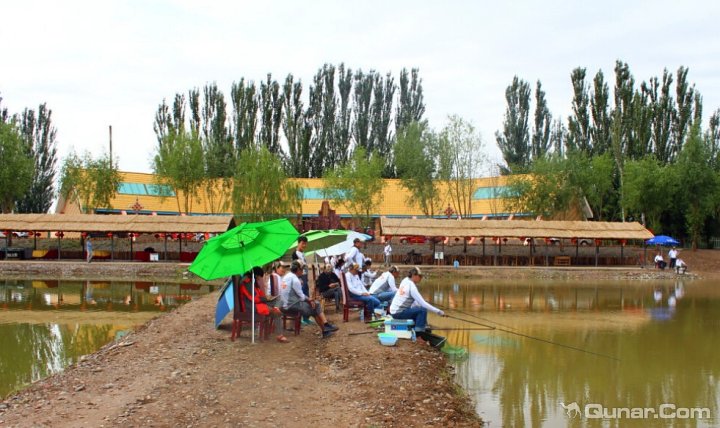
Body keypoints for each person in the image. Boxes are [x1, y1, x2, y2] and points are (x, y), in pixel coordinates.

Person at [280, 261, 338, 338]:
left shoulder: (287, 276)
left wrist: (310, 301)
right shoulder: (295, 279)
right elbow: (302, 297)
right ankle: (325, 327)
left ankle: (325, 329)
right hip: (291, 305)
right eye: (302, 269)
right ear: (298, 270)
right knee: (315, 306)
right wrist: (310, 300)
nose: (303, 271)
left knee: (315, 306)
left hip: (284, 304)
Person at [239, 266, 289, 343]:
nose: (259, 280)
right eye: (259, 277)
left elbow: (259, 294)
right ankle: (279, 335)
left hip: (258, 303)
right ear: (256, 275)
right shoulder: (247, 282)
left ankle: (276, 308)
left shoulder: (252, 281)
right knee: (276, 313)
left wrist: (267, 298)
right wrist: (265, 299)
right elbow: (254, 298)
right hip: (252, 306)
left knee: (279, 299)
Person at [389, 266, 445, 332]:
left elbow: (415, 302)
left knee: (419, 309)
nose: (421, 278)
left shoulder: (405, 280)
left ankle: (421, 327)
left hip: (394, 311)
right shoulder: (412, 287)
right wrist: (438, 311)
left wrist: (419, 304)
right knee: (422, 310)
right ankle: (419, 334)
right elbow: (423, 304)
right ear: (413, 275)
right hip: (398, 313)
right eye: (419, 276)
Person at [291, 237, 312, 325]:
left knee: (306, 296)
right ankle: (301, 318)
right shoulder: (295, 254)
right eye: (303, 243)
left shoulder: (302, 253)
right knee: (301, 296)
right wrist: (298, 279)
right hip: (300, 278)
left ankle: (306, 317)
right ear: (298, 243)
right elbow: (294, 268)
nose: (304, 245)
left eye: (305, 243)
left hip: (305, 276)